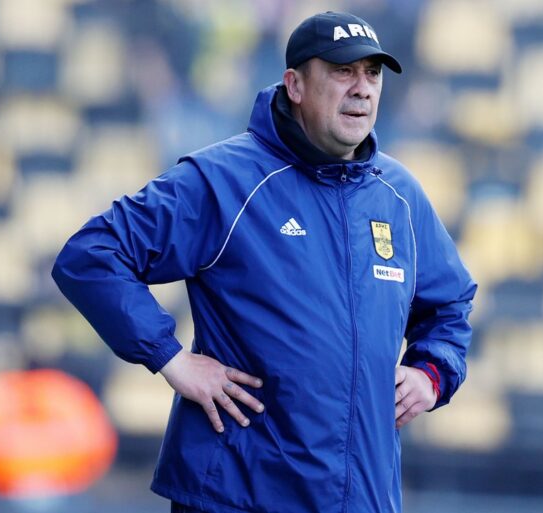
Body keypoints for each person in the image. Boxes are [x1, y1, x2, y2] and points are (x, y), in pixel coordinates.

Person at [52, 11, 476, 513]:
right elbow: (92, 255)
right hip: (239, 497)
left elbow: (450, 304)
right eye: (343, 71)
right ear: (294, 85)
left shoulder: (399, 195)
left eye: (372, 73)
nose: (362, 88)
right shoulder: (225, 180)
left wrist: (431, 373)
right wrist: (170, 358)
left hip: (361, 500)